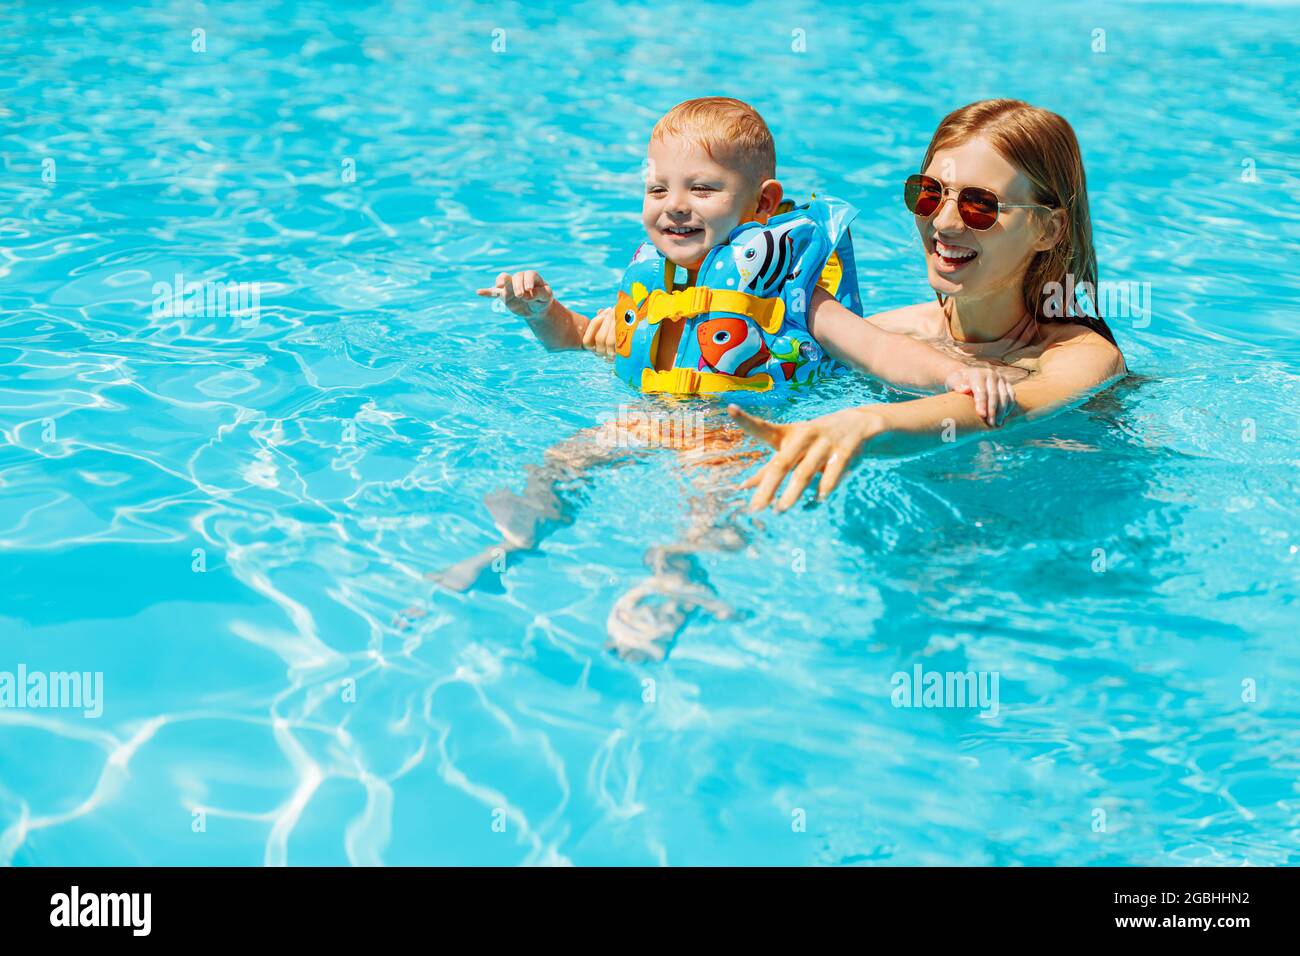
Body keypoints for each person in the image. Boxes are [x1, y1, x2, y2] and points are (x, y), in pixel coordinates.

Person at [729, 99, 1129, 512]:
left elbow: (1010, 406)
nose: (943, 223)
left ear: (1048, 229)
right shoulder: (891, 335)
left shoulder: (1083, 356)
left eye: (981, 206)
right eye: (930, 194)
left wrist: (868, 423)